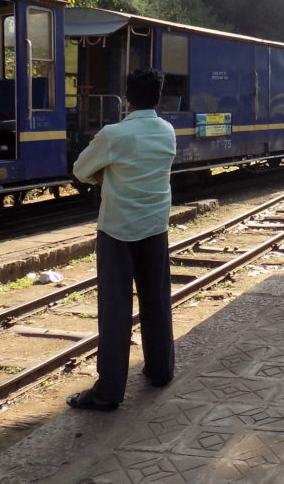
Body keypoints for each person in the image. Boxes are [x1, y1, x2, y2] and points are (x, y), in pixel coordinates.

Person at [66, 68, 177, 411]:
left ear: (127, 98)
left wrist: (105, 175)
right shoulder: (167, 131)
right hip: (156, 228)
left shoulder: (114, 134)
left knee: (115, 310)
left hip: (117, 231)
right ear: (158, 97)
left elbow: (80, 170)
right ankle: (160, 371)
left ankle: (109, 391)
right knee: (156, 301)